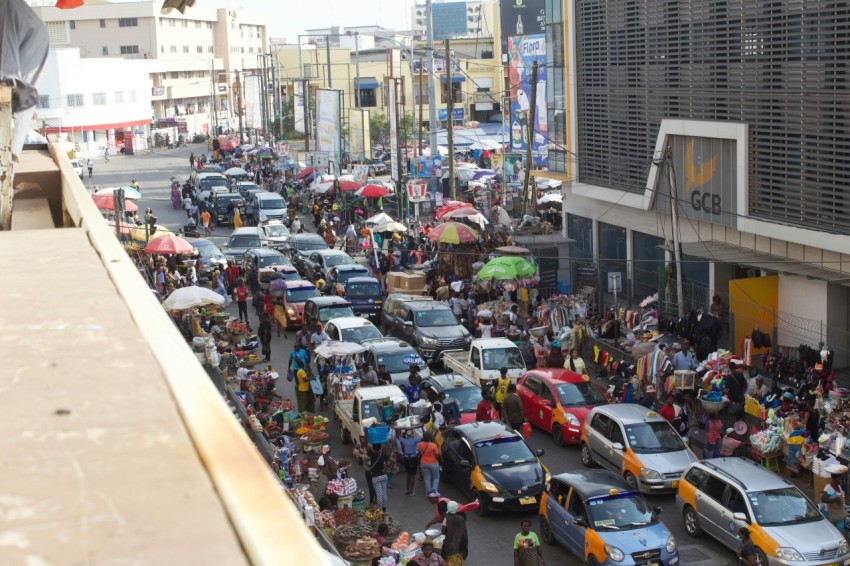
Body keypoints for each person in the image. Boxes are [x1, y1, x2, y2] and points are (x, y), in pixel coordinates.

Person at [441, 501, 469, 565]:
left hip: (450, 546)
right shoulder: (461, 519)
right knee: (458, 562)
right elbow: (464, 533)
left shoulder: (446, 518)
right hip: (460, 545)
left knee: (450, 562)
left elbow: (443, 531)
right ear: (456, 509)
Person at [821, 466, 848, 533]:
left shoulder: (839, 487)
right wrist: (836, 499)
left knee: (840, 530)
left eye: (840, 479)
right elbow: (823, 499)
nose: (840, 481)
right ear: (834, 479)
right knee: (830, 531)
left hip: (839, 513)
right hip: (830, 513)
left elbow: (842, 498)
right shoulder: (829, 488)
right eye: (839, 479)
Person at [397, 428, 420, 496]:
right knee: (413, 475)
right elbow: (424, 437)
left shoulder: (403, 440)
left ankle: (407, 489)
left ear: (406, 434)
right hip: (413, 458)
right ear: (412, 434)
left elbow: (398, 436)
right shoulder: (415, 440)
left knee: (408, 473)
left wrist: (399, 429)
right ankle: (411, 491)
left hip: (406, 458)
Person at [367, 442, 389, 511]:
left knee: (379, 495)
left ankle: (379, 511)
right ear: (380, 447)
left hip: (376, 477)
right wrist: (385, 467)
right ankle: (384, 510)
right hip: (384, 476)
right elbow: (393, 461)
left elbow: (366, 445)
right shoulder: (383, 455)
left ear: (373, 448)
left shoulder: (371, 454)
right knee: (384, 494)